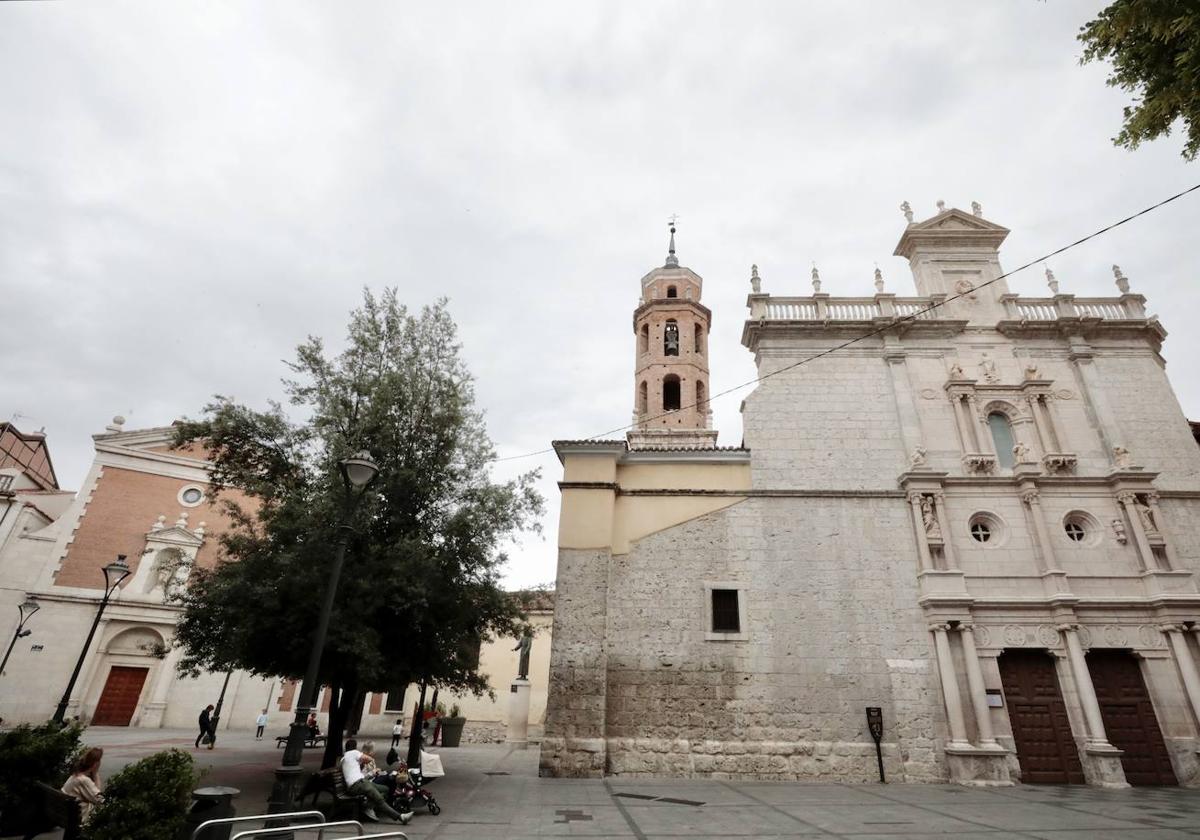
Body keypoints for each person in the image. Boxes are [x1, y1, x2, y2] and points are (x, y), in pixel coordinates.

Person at [340, 738, 412, 824]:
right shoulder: (354, 753)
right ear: (354, 747)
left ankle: (368, 805)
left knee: (385, 789)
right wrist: (364, 761)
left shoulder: (343, 759)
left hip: (358, 784)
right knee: (379, 798)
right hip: (359, 784)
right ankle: (400, 817)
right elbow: (369, 759)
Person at [61, 747, 104, 822]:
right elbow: (99, 800)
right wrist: (96, 774)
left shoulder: (75, 775)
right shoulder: (83, 780)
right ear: (96, 764)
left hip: (67, 816)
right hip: (80, 819)